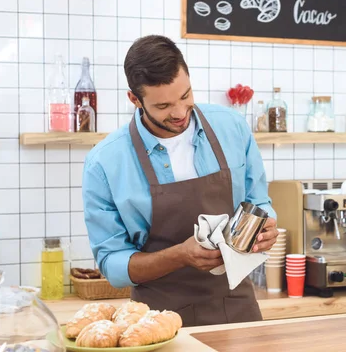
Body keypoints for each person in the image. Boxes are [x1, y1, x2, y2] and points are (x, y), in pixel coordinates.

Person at [82, 34, 279, 327]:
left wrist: (266, 228)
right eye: (162, 106)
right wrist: (180, 256)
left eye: (185, 96)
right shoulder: (104, 163)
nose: (179, 113)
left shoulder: (231, 127)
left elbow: (259, 201)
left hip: (236, 309)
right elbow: (113, 264)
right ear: (135, 99)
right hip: (155, 322)